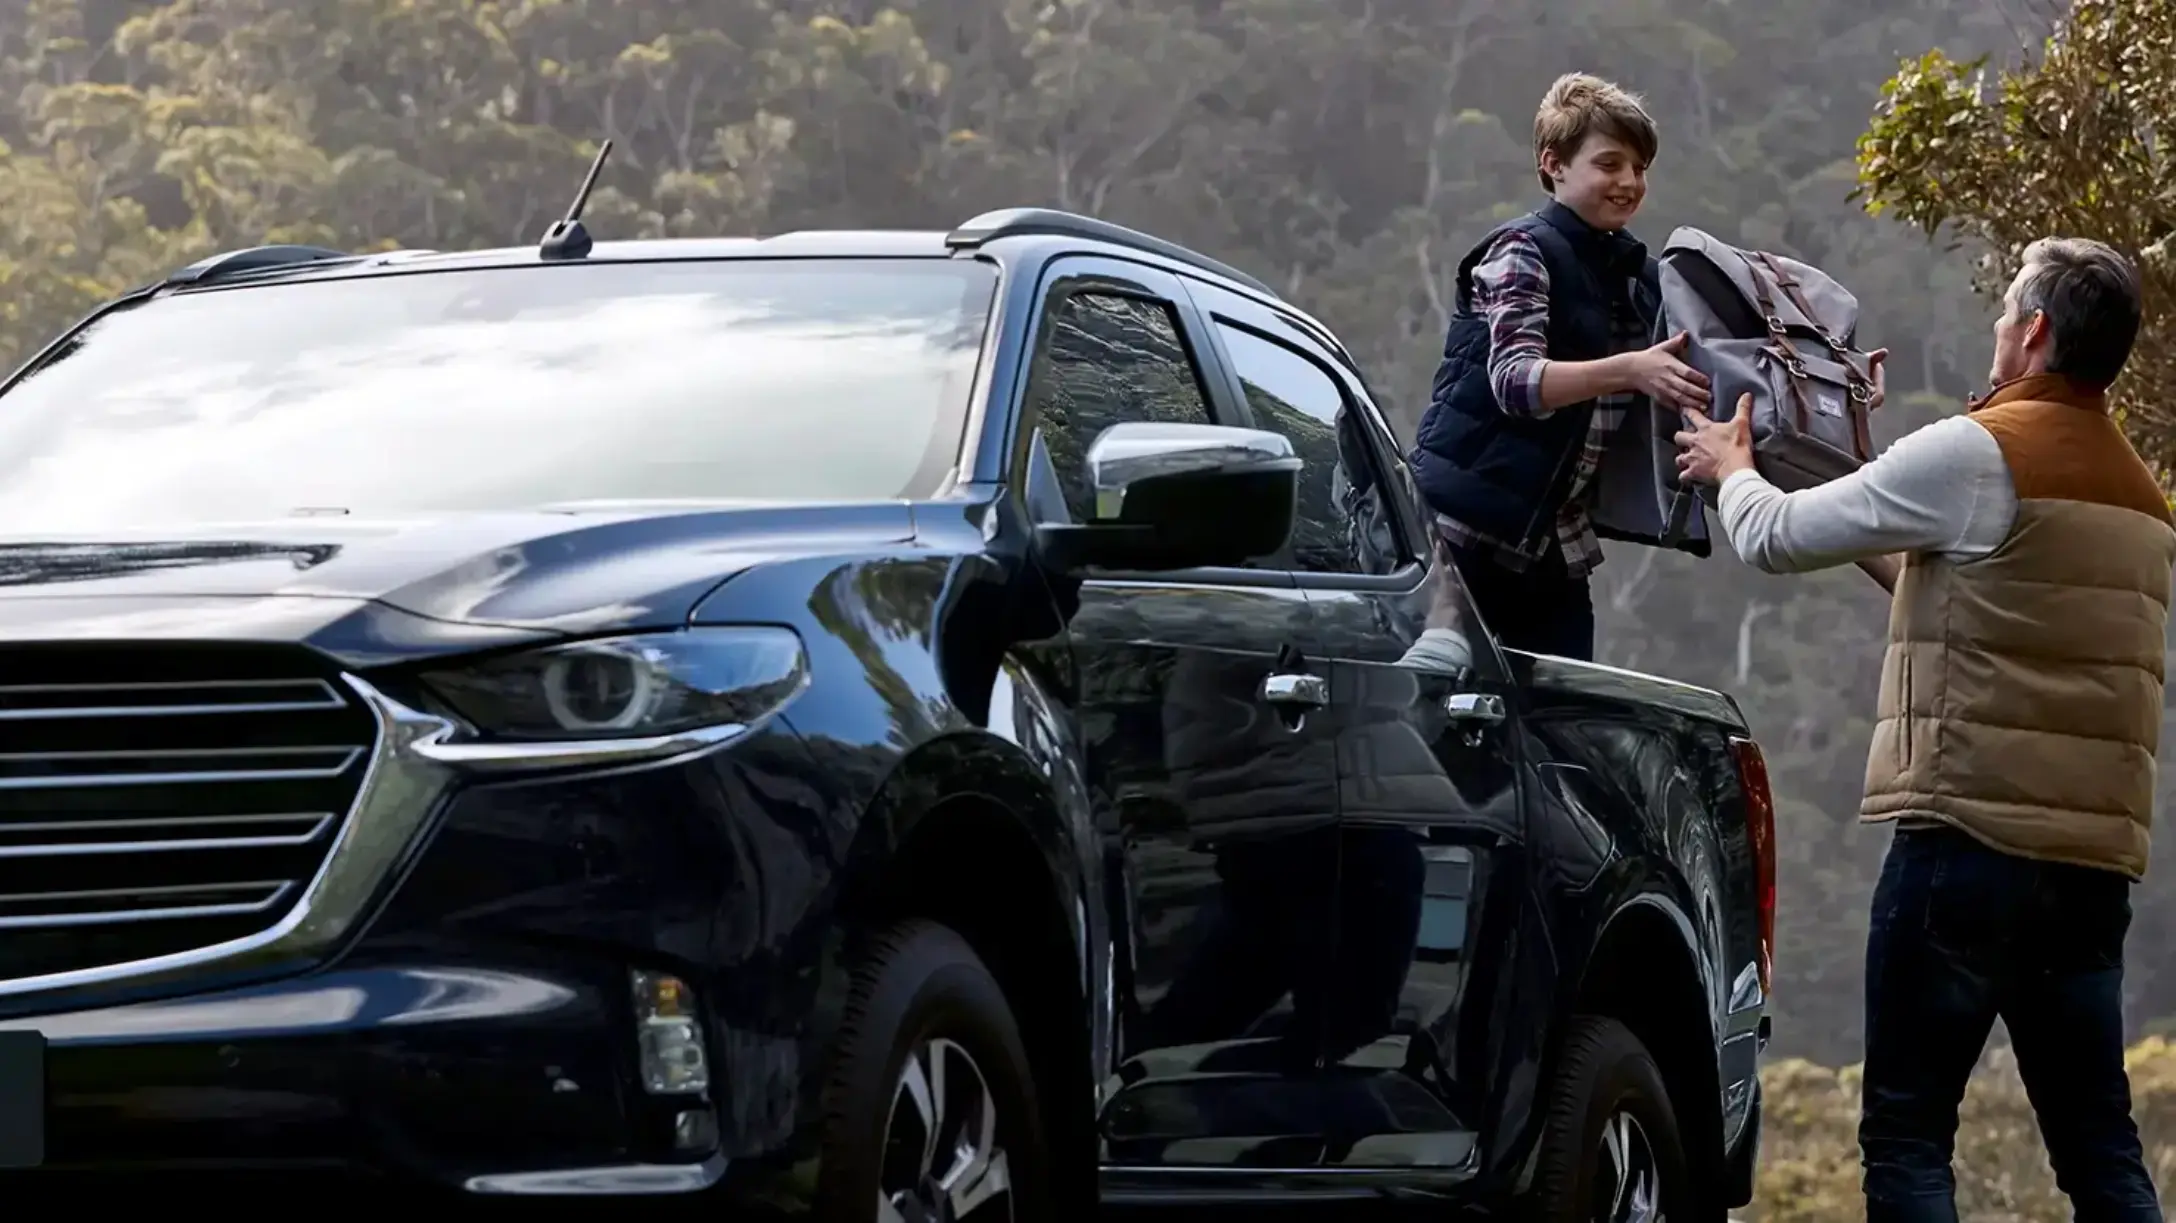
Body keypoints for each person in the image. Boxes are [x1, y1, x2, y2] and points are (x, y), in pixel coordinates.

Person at [1676, 237, 2173, 1223]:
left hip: (1963, 846)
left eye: (2005, 313)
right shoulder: (2144, 503)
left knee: (1905, 1137)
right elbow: (1965, 593)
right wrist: (1869, 500)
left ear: (2031, 334)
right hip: (2085, 869)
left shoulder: (1974, 452)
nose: (1996, 327)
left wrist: (1733, 467)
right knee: (2099, 1149)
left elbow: (1771, 535)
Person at [1404, 72, 1710, 669]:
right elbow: (1516, 383)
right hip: (1458, 540)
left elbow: (1709, 380)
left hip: (1552, 547)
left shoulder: (1639, 277)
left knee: (1560, 735)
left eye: (1640, 167)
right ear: (1555, 164)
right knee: (1438, 710)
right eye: (1610, 163)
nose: (1628, 182)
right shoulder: (1522, 250)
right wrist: (1630, 370)